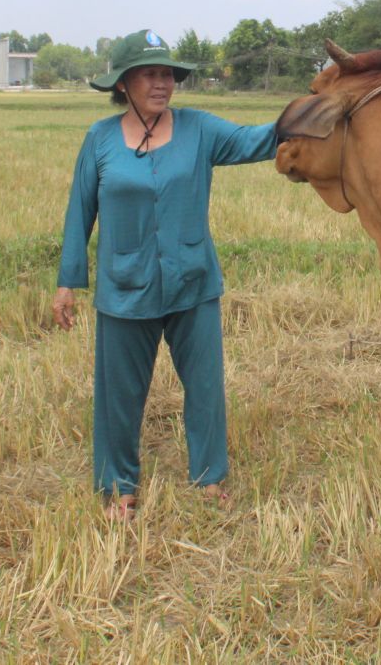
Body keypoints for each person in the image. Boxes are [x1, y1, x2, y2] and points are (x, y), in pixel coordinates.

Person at [53, 28, 277, 521]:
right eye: (149, 74)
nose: (162, 83)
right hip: (124, 287)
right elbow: (79, 212)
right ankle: (118, 486)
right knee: (120, 394)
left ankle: (209, 477)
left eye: (167, 75)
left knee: (205, 387)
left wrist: (312, 112)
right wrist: (67, 283)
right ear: (124, 84)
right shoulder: (100, 139)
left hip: (192, 282)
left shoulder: (199, 129)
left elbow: (253, 140)